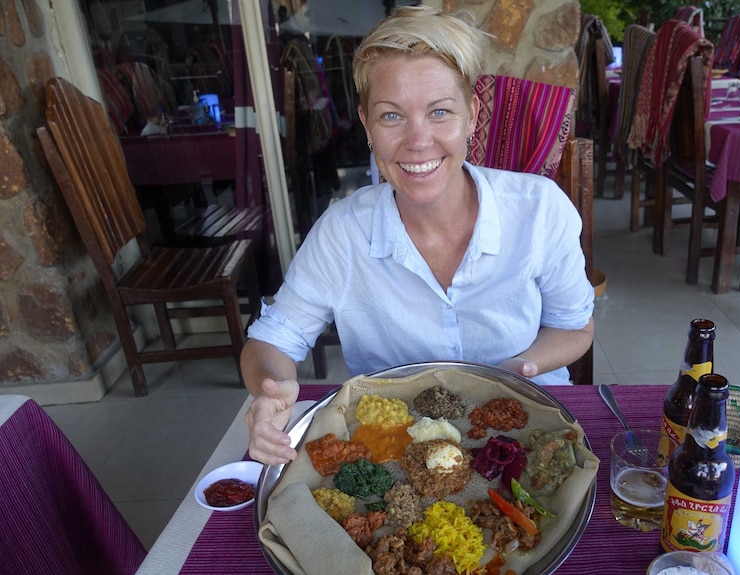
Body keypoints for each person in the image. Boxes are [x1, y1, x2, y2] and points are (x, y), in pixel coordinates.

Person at [241, 6, 595, 465]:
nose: (418, 141)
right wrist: (272, 390)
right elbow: (271, 342)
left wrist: (513, 372)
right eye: (392, 117)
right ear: (367, 125)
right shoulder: (342, 232)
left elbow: (575, 326)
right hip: (394, 448)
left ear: (472, 114)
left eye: (440, 112)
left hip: (531, 423)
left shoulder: (540, 209)